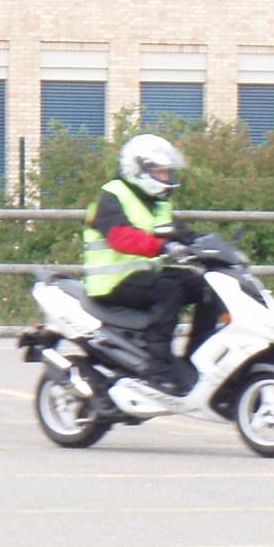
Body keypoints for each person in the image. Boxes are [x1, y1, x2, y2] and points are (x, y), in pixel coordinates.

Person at [81, 133, 207, 393]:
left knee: (204, 286)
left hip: (142, 276)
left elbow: (179, 232)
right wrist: (161, 246)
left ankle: (198, 357)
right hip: (111, 282)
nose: (167, 178)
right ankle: (158, 369)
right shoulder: (111, 195)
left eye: (167, 172)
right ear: (138, 170)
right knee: (169, 291)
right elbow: (120, 236)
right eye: (160, 172)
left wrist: (211, 246)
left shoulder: (157, 204)